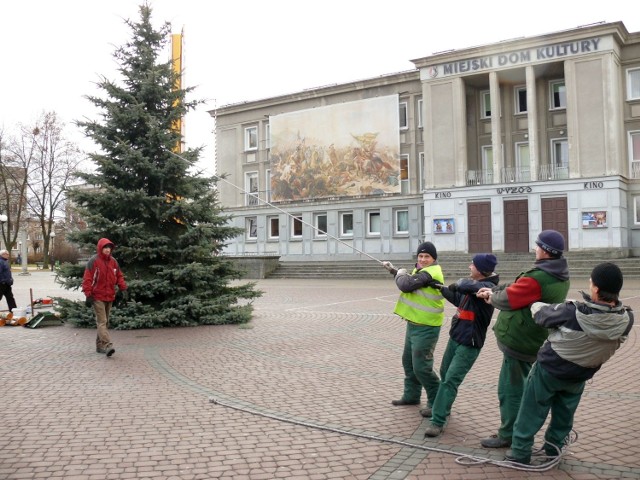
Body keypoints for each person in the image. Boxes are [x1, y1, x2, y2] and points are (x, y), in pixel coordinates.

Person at [505, 262, 634, 465]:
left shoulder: (573, 311)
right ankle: (554, 451)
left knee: (531, 410)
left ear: (597, 289)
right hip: (580, 374)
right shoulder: (627, 319)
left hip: (549, 371)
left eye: (591, 283)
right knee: (564, 416)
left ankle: (520, 452)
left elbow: (542, 316)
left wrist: (534, 304)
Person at [476, 230, 570, 449]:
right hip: (533, 338)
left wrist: (490, 296)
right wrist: (496, 287)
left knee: (510, 390)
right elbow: (518, 287)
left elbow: (509, 299)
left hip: (520, 341)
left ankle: (508, 434)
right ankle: (515, 432)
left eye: (538, 245)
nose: (534, 248)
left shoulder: (539, 277)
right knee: (521, 386)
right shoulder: (557, 272)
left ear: (546, 251)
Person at [423, 253, 499, 437]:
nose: (469, 267)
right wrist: (441, 289)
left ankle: (438, 420)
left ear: (480, 270)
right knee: (444, 372)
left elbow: (465, 286)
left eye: (472, 265)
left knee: (450, 380)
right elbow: (459, 299)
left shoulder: (487, 287)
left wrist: (457, 284)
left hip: (469, 344)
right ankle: (443, 406)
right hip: (456, 338)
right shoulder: (472, 288)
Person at [382, 242, 445, 416]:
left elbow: (406, 285)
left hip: (427, 326)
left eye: (427, 257)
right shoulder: (420, 271)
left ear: (434, 259)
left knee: (421, 367)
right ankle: (411, 395)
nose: (423, 259)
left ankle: (437, 401)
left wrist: (400, 274)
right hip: (414, 324)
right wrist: (394, 270)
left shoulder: (432, 272)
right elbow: (411, 280)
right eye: (421, 256)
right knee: (408, 362)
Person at [82, 238, 128, 357]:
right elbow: (87, 279)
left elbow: (119, 276)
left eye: (109, 248)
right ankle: (108, 345)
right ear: (100, 248)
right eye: (105, 247)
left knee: (105, 323)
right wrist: (88, 294)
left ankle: (99, 346)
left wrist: (123, 288)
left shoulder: (113, 262)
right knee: (102, 321)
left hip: (110, 296)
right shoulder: (94, 261)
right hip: (97, 296)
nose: (108, 250)